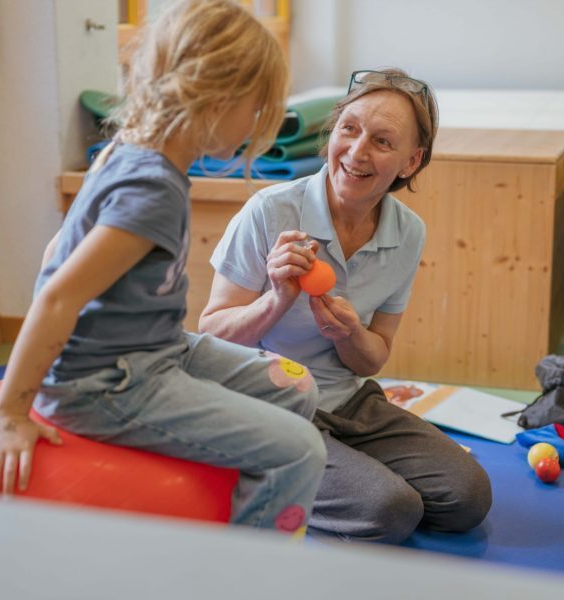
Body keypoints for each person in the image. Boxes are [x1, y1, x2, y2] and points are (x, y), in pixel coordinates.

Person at [0, 0, 327, 537]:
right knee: (299, 451)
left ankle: (241, 499)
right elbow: (57, 296)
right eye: (256, 108)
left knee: (297, 387)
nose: (257, 123)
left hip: (153, 348)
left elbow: (56, 251)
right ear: (217, 97)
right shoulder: (153, 189)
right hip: (107, 383)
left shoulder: (129, 149)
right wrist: (12, 412)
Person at [200, 68, 492, 543]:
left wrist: (349, 335)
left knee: (468, 496)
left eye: (382, 141)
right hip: (268, 400)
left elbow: (376, 355)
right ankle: (256, 467)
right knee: (389, 510)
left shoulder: (407, 232)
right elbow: (210, 335)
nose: (356, 152)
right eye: (349, 129)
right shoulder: (271, 211)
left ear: (410, 162)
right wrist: (275, 301)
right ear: (332, 132)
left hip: (348, 401)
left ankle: (325, 468)